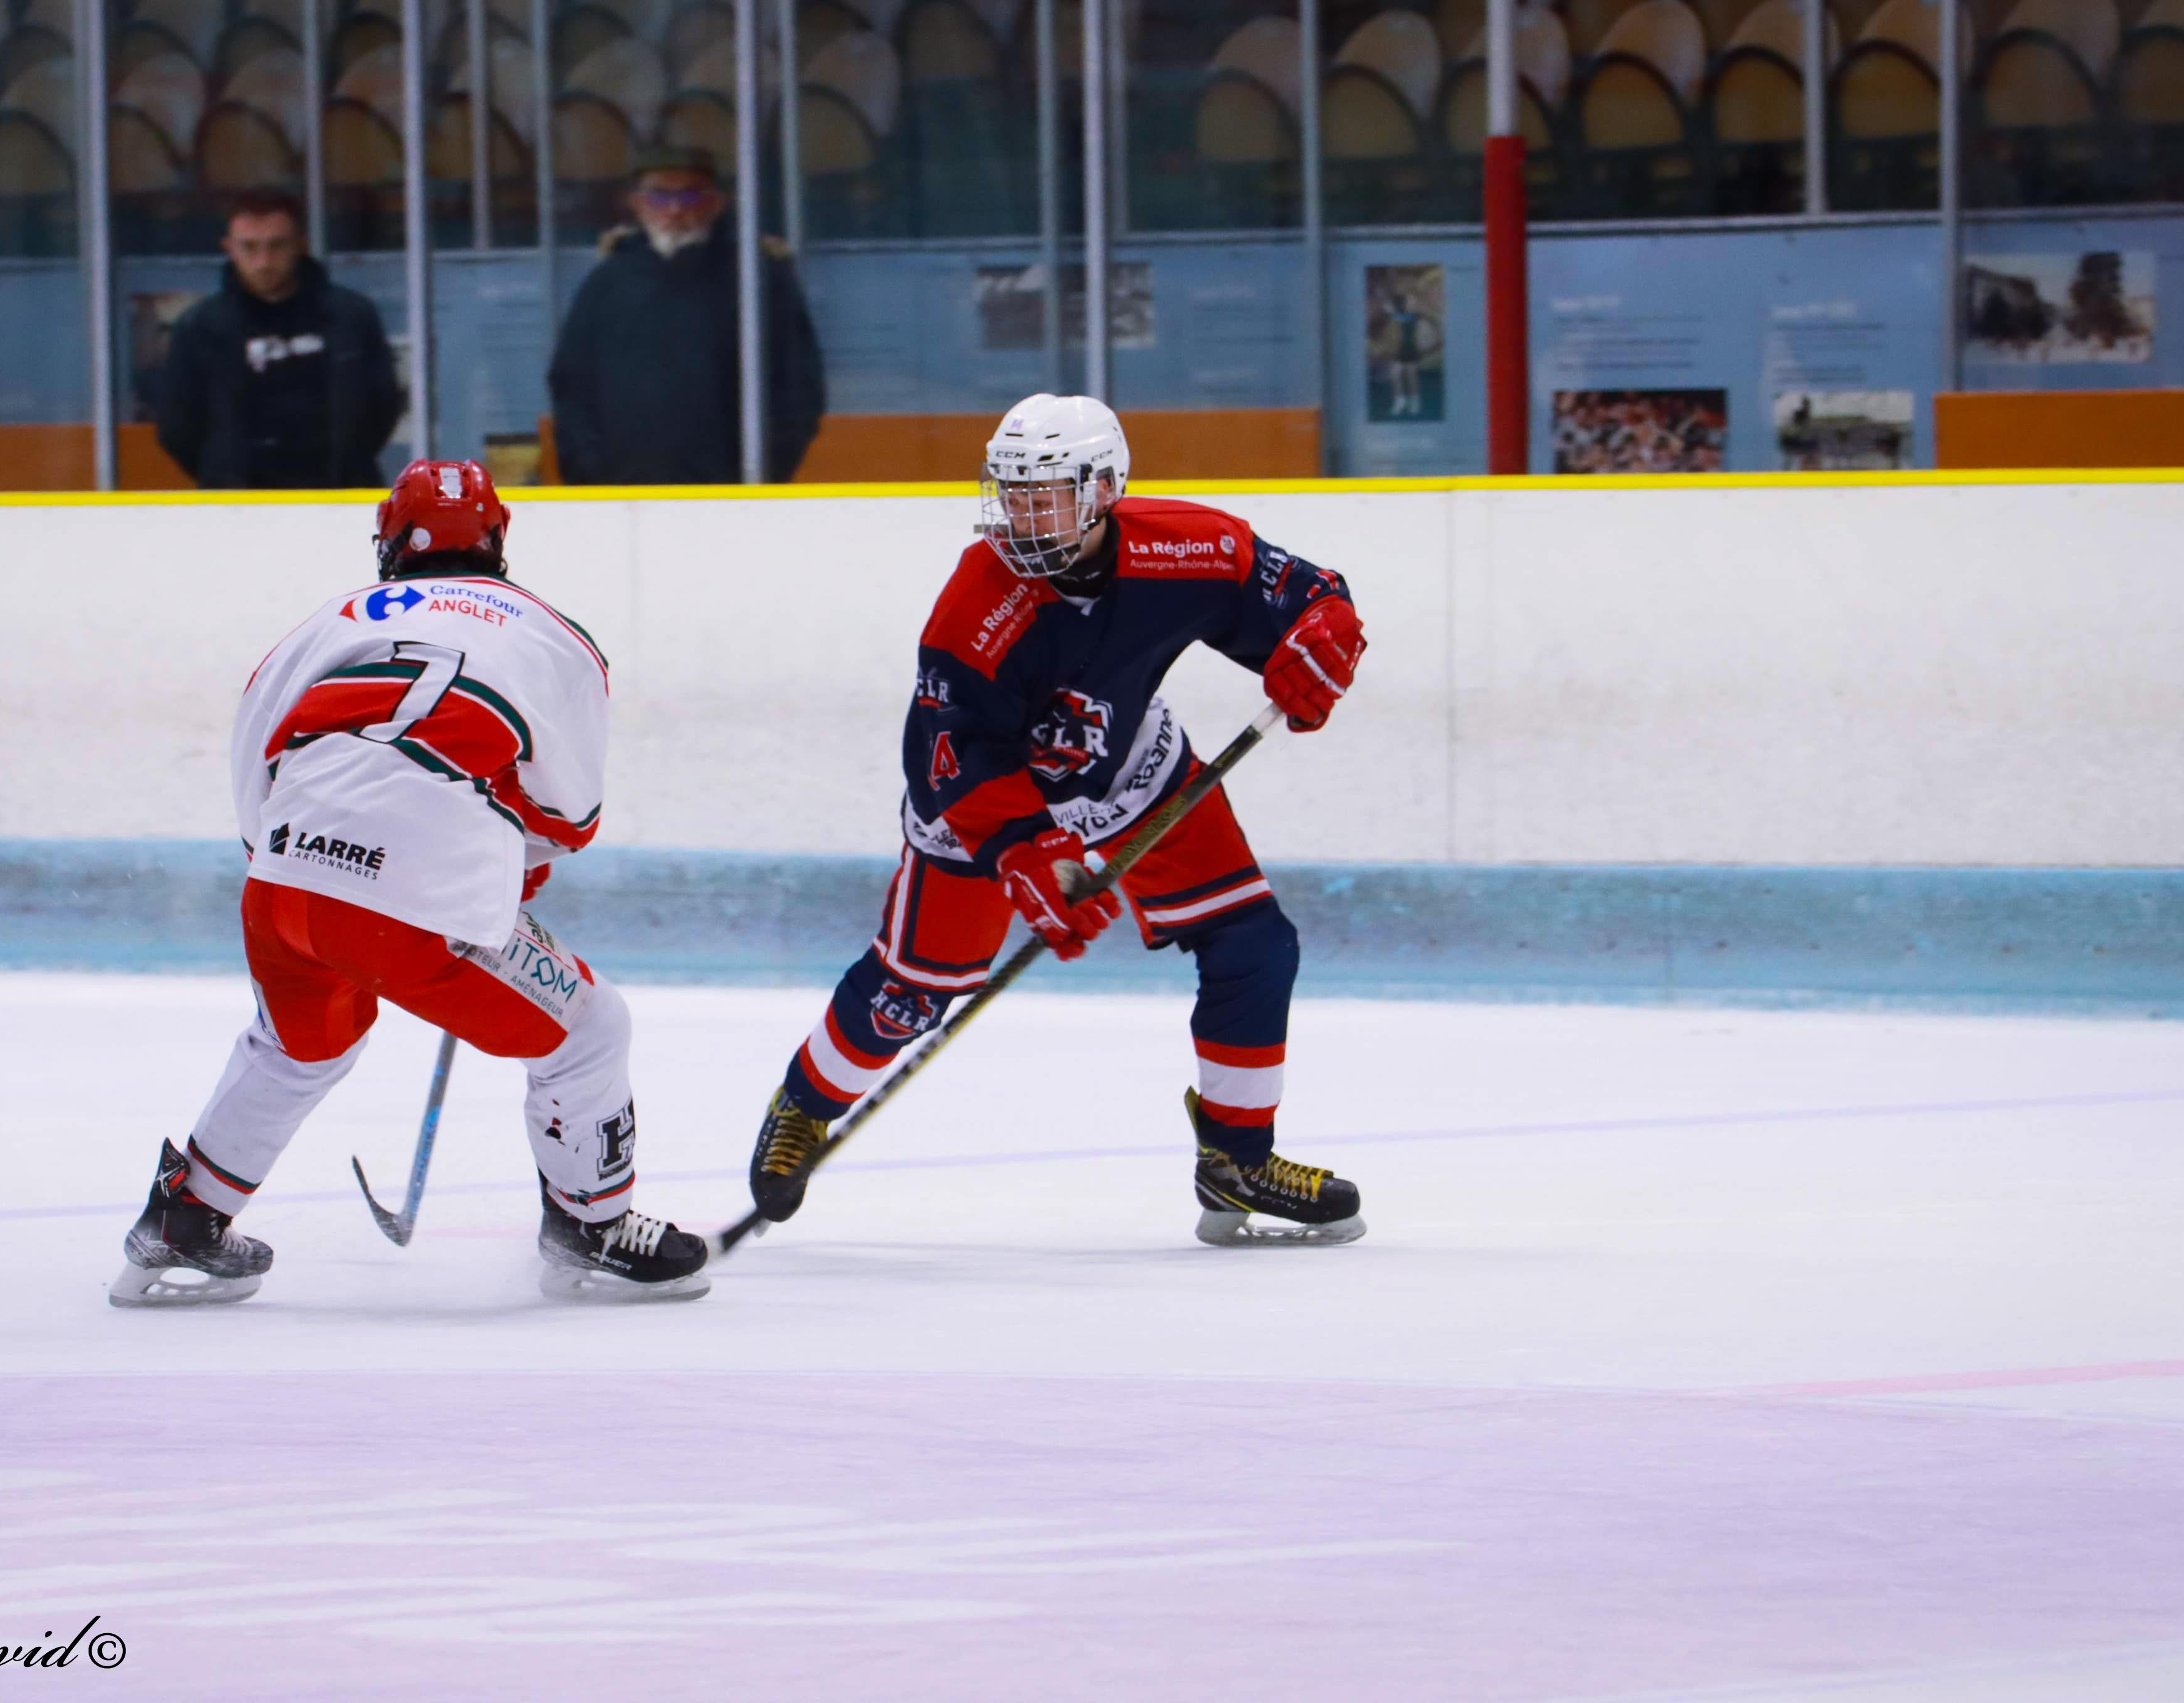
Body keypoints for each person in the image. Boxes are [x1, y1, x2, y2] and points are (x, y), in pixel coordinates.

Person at [744, 395, 1372, 1245]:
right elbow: (951, 754)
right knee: (910, 994)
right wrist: (1024, 851)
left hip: (1129, 770)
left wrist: (1322, 632)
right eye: (1011, 493)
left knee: (1254, 943)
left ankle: (1237, 1161)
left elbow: (1304, 594)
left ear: (1105, 489)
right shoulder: (976, 600)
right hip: (986, 811)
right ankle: (804, 1102)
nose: (1022, 515)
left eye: (1045, 495)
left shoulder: (1189, 545)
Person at [110, 460, 711, 1307]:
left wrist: (303, 858)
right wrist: (502, 856)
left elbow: (255, 762)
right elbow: (572, 813)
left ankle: (186, 1216)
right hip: (413, 895)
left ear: (390, 544)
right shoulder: (554, 634)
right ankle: (593, 1223)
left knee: (299, 1044)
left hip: (282, 881)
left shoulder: (325, 622)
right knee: (589, 1030)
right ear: (497, 540)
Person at [547, 145, 825, 485]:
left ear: (716, 203)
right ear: (636, 203)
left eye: (690, 196)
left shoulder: (757, 279)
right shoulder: (607, 283)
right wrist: (590, 472)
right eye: (659, 197)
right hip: (622, 495)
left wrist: (763, 472)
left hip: (731, 493)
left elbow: (797, 386)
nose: (675, 209)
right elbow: (572, 387)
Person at [155, 188, 403, 490]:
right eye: (249, 247)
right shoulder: (201, 328)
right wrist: (221, 473)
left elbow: (383, 403)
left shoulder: (350, 317)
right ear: (229, 249)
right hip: (239, 503)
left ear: (300, 244)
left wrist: (351, 461)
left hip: (338, 494)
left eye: (276, 246)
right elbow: (177, 425)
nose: (263, 261)